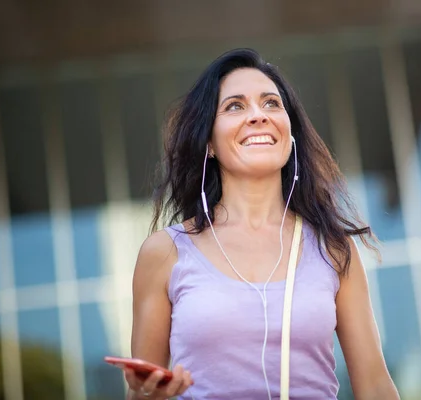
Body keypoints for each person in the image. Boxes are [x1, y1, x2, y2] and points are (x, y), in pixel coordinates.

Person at [124, 48, 399, 400]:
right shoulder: (164, 253)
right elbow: (142, 389)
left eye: (271, 103)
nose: (258, 116)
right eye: (235, 106)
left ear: (289, 132)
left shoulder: (333, 248)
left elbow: (375, 386)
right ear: (208, 142)